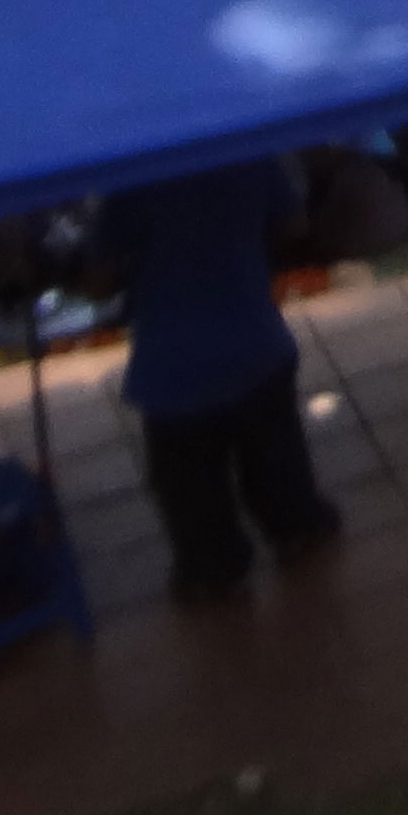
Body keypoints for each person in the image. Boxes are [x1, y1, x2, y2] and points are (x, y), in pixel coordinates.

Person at [97, 156, 344, 607]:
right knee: (276, 459)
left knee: (191, 487)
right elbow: (292, 225)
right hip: (256, 344)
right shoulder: (248, 156)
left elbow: (99, 277)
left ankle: (212, 571)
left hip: (174, 368)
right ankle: (297, 529)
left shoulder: (130, 185)